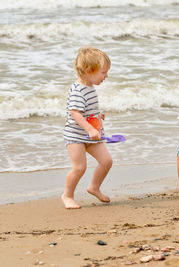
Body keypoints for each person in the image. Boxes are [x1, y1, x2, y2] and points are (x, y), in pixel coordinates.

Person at [61, 47, 113, 209]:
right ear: (89, 70)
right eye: (103, 72)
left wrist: (97, 117)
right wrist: (90, 129)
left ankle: (94, 187)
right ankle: (67, 196)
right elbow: (75, 113)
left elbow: (86, 111)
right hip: (76, 136)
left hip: (92, 136)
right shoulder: (78, 90)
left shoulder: (90, 87)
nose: (106, 76)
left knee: (106, 161)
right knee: (79, 168)